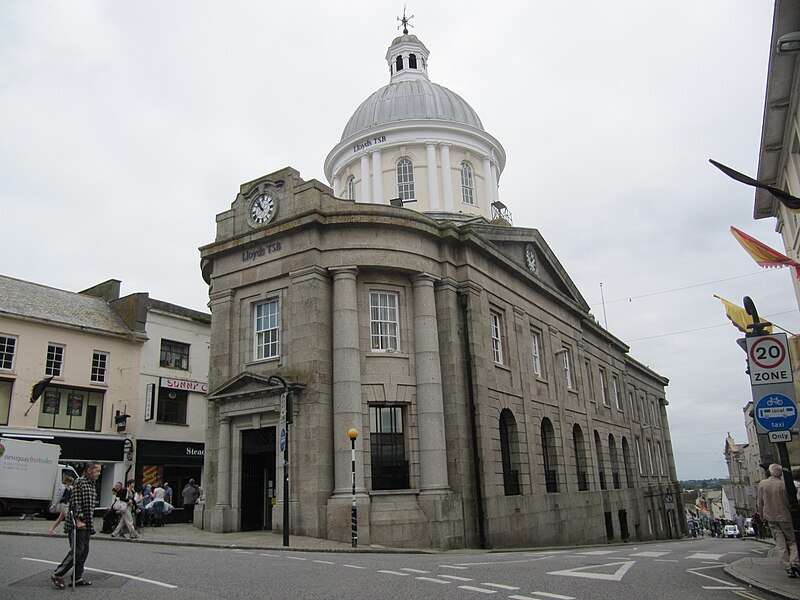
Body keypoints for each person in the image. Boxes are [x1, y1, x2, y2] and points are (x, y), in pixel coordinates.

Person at [51, 461, 101, 589]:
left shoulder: (91, 484)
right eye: (97, 470)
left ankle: (77, 577)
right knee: (77, 551)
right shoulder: (80, 482)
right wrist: (78, 520)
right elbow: (76, 502)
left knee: (84, 550)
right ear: (89, 470)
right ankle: (57, 574)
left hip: (87, 523)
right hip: (77, 523)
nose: (99, 473)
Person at [758, 463, 800, 578]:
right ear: (780, 473)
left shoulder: (763, 484)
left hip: (770, 517)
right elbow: (793, 500)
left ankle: (788, 567)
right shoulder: (784, 485)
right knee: (792, 541)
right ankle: (795, 562)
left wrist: (762, 516)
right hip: (785, 516)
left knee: (780, 543)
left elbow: (760, 502)